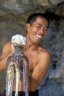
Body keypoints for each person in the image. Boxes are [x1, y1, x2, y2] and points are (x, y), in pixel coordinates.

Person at [0, 13, 51, 96]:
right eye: (38, 26)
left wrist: (20, 68)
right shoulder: (10, 46)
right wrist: (12, 56)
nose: (42, 31)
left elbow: (33, 86)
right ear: (28, 27)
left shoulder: (43, 55)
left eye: (45, 28)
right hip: (9, 93)